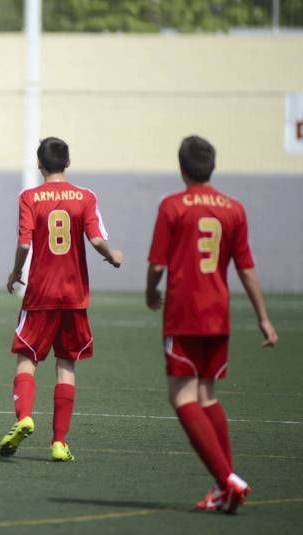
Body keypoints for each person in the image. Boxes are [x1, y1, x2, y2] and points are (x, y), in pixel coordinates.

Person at [145, 135, 278, 514]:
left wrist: (149, 291)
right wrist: (263, 319)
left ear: (181, 167)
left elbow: (157, 265)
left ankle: (228, 479)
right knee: (207, 396)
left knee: (181, 397)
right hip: (218, 315)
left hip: (185, 314)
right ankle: (225, 489)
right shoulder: (233, 209)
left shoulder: (172, 206)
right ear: (212, 166)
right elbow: (246, 269)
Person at [0, 137, 122, 461]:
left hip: (40, 293)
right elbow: (95, 238)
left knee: (27, 357)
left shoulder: (29, 197)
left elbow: (25, 244)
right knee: (66, 364)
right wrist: (112, 256)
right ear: (67, 163)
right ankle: (59, 443)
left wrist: (14, 273)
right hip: (74, 295)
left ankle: (24, 416)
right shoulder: (85, 197)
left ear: (39, 164)